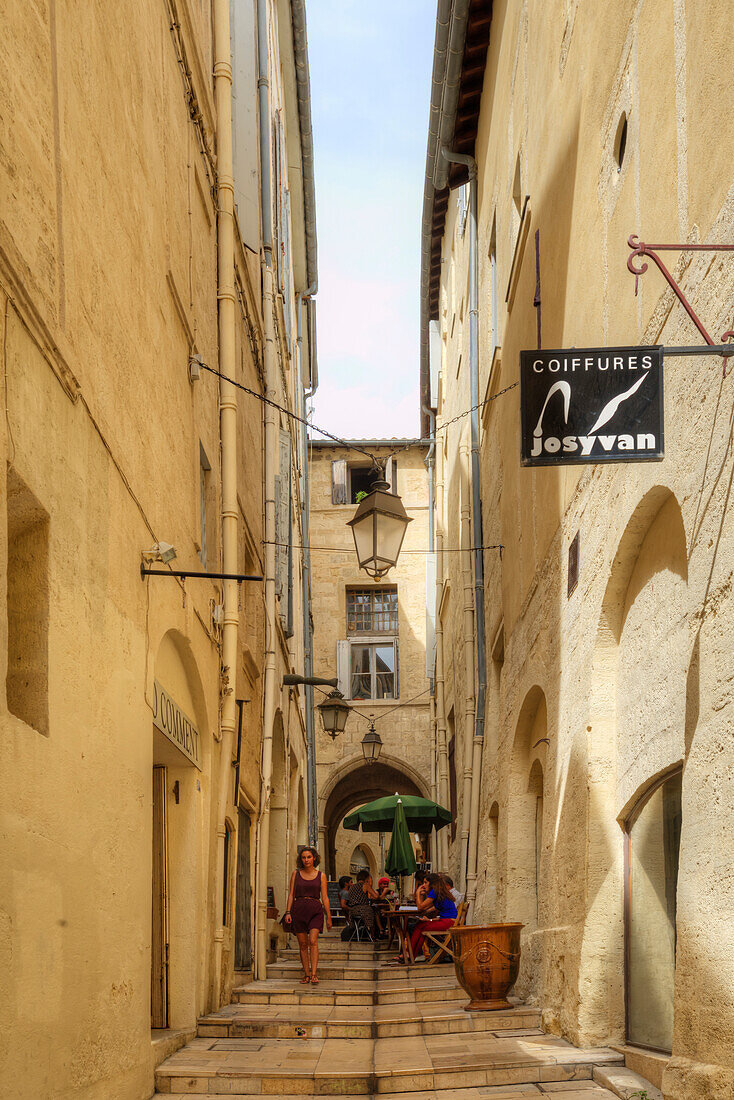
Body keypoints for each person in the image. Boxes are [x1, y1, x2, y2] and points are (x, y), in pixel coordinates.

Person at [284, 847, 331, 984]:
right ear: (301, 859)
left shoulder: (321, 875)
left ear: (314, 858)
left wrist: (328, 916)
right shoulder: (296, 874)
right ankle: (306, 974)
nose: (306, 860)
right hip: (298, 910)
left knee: (312, 941)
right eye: (304, 857)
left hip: (315, 910)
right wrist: (288, 912)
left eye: (309, 857)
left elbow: (325, 897)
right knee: (303, 944)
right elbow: (291, 894)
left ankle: (314, 973)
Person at [410, 872, 457, 961]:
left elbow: (420, 907)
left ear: (431, 883)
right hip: (449, 921)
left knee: (420, 927)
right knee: (420, 925)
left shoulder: (434, 892)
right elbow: (426, 909)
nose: (423, 885)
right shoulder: (438, 891)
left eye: (425, 883)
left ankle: (411, 954)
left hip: (448, 922)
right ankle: (411, 954)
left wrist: (417, 894)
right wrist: (430, 919)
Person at [346, 869, 380, 937]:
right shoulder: (365, 885)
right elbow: (376, 896)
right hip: (363, 910)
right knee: (374, 914)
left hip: (352, 911)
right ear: (366, 878)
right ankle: (373, 936)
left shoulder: (351, 887)